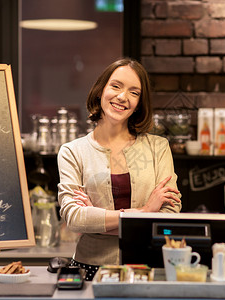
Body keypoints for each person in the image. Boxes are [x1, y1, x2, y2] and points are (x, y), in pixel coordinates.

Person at [57, 58, 182, 280]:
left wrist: (97, 223)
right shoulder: (72, 152)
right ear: (100, 90)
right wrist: (144, 213)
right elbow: (74, 218)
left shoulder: (158, 147)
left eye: (134, 92)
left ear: (139, 103)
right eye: (116, 86)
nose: (123, 97)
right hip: (91, 269)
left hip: (147, 268)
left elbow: (170, 214)